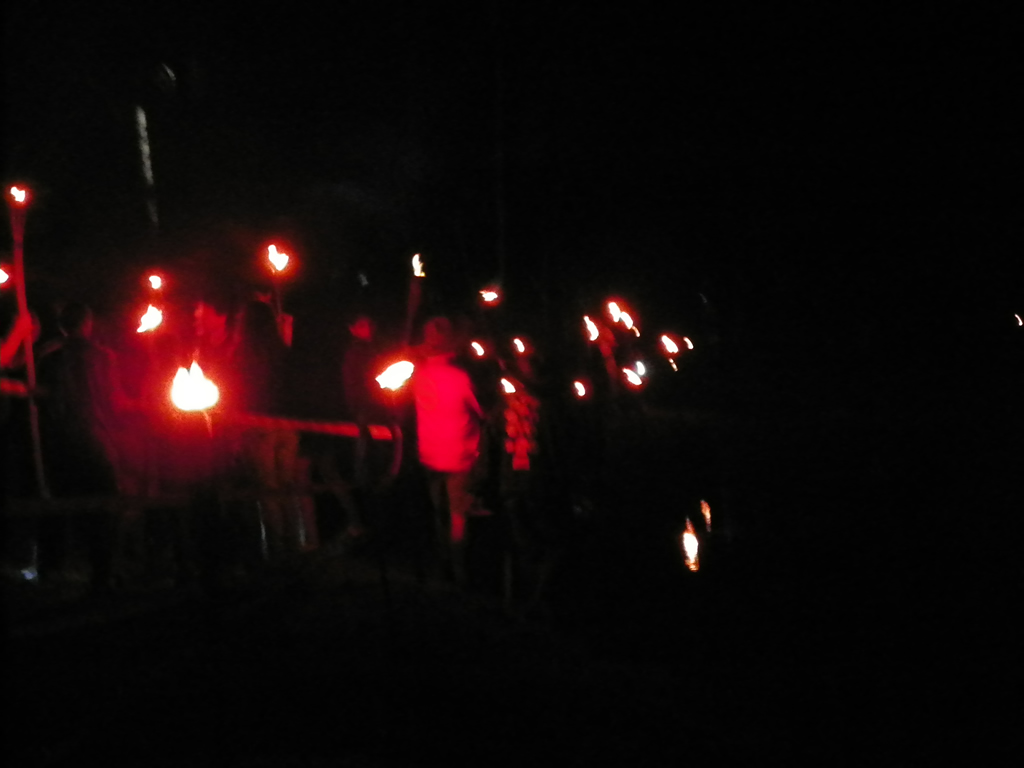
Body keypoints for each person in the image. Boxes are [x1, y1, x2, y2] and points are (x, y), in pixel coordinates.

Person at [412, 316, 484, 587]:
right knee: (457, 515)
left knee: (438, 511)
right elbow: (480, 410)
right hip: (458, 454)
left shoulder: (418, 376)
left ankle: (442, 564)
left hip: (429, 453)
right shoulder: (460, 377)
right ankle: (459, 570)